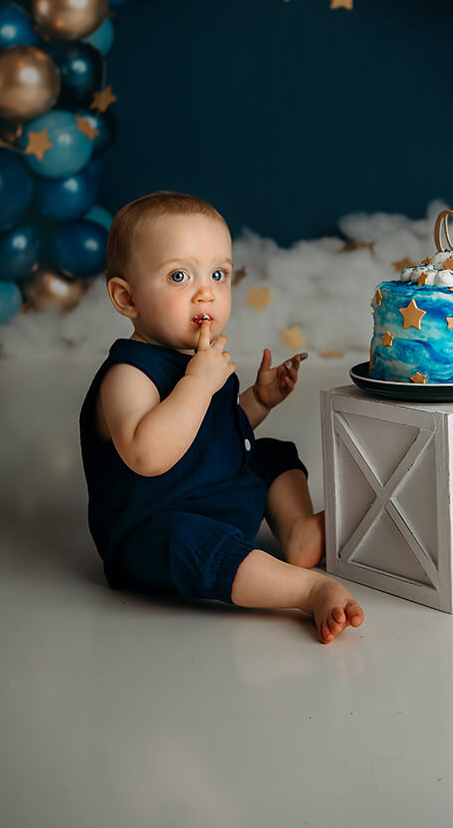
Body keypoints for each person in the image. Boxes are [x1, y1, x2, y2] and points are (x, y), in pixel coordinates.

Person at [79, 190, 364, 644]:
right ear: (127, 298)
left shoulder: (202, 359)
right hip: (159, 526)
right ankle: (307, 589)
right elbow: (148, 455)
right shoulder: (128, 375)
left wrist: (257, 401)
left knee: (270, 454)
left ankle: (299, 533)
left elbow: (213, 434)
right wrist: (198, 383)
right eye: (178, 275)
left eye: (218, 274)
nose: (205, 292)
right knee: (195, 544)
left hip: (220, 496)